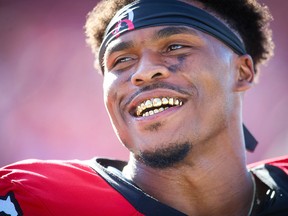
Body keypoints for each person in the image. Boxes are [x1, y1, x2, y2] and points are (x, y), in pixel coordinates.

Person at [0, 0, 287, 215]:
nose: (144, 71)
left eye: (175, 46)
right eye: (122, 60)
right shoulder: (30, 199)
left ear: (242, 72)